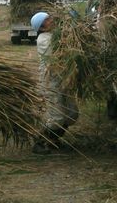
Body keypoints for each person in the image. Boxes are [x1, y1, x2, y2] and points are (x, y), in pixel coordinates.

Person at [30, 11, 78, 155]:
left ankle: (54, 140)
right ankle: (39, 143)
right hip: (51, 81)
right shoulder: (44, 40)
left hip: (64, 79)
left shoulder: (55, 34)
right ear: (42, 27)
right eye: (47, 19)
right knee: (57, 117)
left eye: (50, 18)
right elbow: (59, 55)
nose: (51, 20)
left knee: (72, 114)